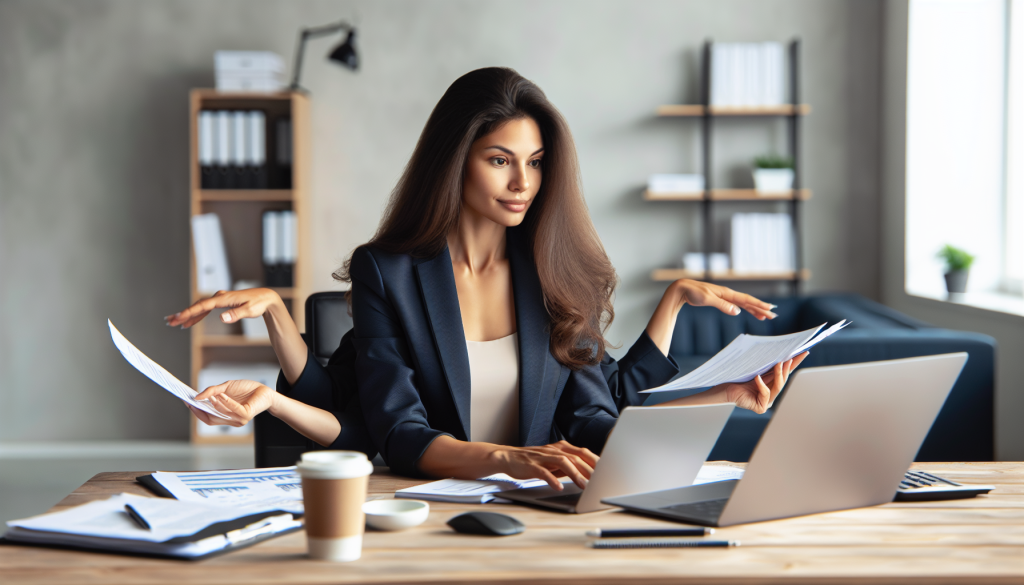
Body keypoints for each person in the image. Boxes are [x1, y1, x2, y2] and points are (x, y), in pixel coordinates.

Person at [167, 67, 806, 490]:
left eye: (534, 162)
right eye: (500, 160)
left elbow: (594, 420)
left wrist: (718, 400)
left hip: (545, 512)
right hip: (436, 511)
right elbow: (400, 433)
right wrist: (508, 458)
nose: (522, 183)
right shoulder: (386, 272)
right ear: (457, 162)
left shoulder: (561, 274)